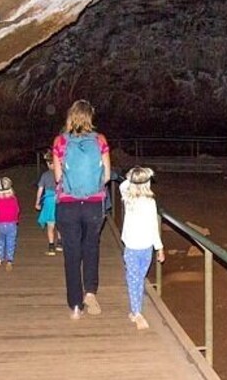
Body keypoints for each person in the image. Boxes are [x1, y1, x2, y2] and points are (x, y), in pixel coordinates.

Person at [52, 99, 111, 320]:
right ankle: (90, 292)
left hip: (67, 205)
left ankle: (75, 304)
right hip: (94, 204)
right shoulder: (100, 140)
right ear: (90, 117)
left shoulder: (60, 142)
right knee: (91, 248)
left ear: (70, 117)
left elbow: (58, 177)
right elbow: (106, 176)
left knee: (71, 252)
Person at [119, 167, 164, 330]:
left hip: (132, 247)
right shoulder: (150, 202)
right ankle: (136, 309)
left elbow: (122, 185)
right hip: (147, 247)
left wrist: (132, 176)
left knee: (134, 278)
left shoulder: (127, 197)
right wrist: (159, 247)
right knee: (139, 277)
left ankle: (136, 312)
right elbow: (154, 226)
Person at [34, 150, 61, 256]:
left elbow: (40, 189)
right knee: (60, 224)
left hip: (49, 201)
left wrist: (37, 202)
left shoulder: (45, 175)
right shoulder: (61, 174)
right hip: (59, 200)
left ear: (49, 164)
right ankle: (60, 243)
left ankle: (51, 246)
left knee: (50, 225)